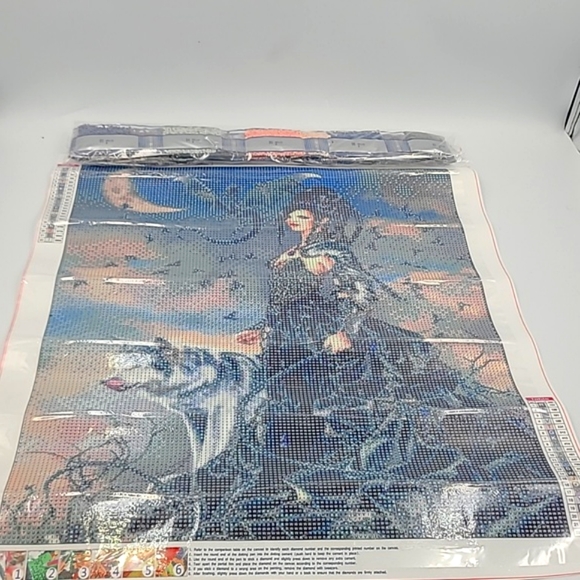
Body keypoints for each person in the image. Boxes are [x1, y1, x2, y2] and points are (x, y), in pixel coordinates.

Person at [236, 187, 515, 419]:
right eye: (290, 214)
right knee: (281, 396)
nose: (291, 219)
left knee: (323, 395)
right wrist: (262, 328)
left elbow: (362, 292)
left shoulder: (331, 252)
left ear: (321, 219)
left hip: (321, 330)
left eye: (301, 214)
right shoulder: (291, 254)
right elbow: (283, 299)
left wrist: (344, 330)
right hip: (286, 333)